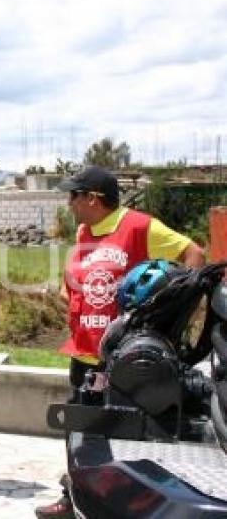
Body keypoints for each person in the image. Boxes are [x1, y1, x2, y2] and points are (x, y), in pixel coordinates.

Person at [35, 165, 205, 519]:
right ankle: (75, 496)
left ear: (93, 199)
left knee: (127, 435)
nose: (68, 203)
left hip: (124, 356)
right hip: (85, 350)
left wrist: (169, 316)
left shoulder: (140, 227)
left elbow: (195, 256)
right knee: (81, 431)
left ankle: (128, 503)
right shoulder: (85, 230)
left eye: (73, 195)